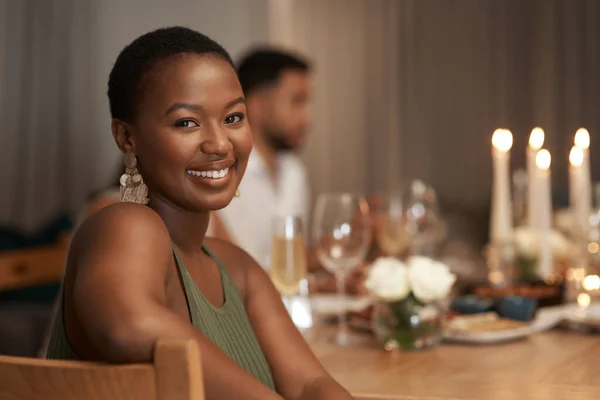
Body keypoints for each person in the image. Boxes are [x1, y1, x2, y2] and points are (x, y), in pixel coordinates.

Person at [45, 27, 353, 400]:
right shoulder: (124, 223)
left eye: (233, 118)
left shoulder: (239, 269)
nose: (219, 143)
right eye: (186, 122)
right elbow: (129, 324)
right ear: (127, 138)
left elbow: (309, 384)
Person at [208, 49, 312, 268]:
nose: (307, 117)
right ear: (256, 105)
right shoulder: (221, 170)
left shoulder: (295, 172)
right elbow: (232, 265)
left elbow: (289, 264)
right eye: (297, 101)